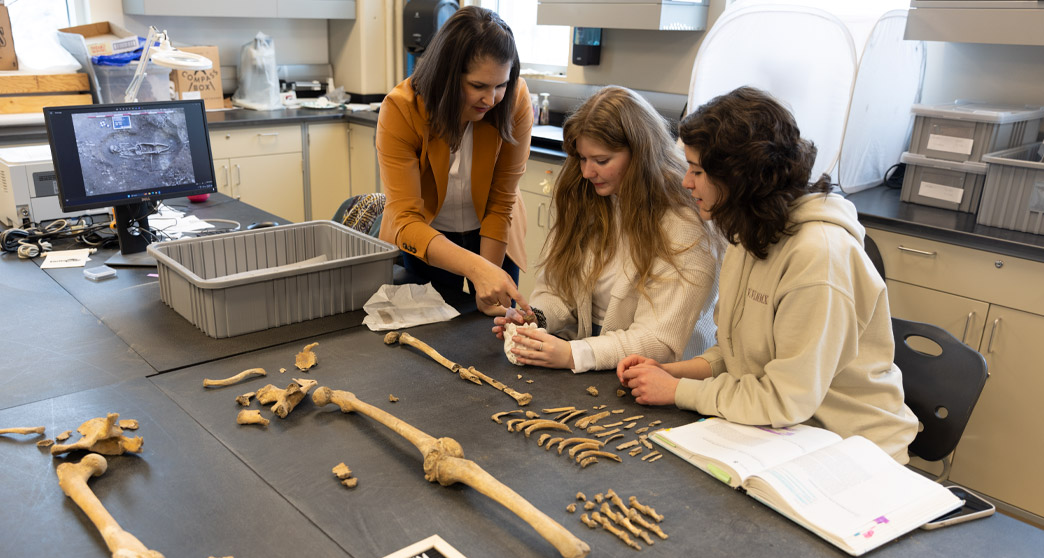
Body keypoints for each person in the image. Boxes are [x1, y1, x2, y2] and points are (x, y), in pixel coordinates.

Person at [617, 86, 918, 463]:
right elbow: (738, 356)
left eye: (697, 170)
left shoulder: (817, 257)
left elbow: (784, 398)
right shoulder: (749, 232)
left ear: (739, 177)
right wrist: (669, 373)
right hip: (786, 432)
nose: (686, 182)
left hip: (850, 451)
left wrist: (678, 391)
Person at [492, 86, 720, 372]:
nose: (587, 173)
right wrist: (536, 319)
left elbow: (658, 340)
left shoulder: (684, 225)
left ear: (639, 156)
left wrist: (574, 354)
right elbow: (557, 288)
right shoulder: (588, 196)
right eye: (583, 159)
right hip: (594, 363)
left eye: (601, 161)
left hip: (660, 377)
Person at [376, 6, 532, 315]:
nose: (491, 99)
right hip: (429, 237)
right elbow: (405, 219)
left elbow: (501, 201)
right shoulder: (401, 110)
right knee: (433, 328)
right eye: (478, 86)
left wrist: (486, 273)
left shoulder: (514, 101)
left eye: (500, 84)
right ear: (447, 75)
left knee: (492, 332)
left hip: (493, 234)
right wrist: (476, 270)